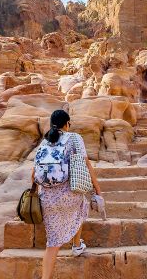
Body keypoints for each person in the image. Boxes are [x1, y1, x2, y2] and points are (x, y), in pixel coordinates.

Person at [31, 110, 102, 279]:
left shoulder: (45, 142)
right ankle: (76, 245)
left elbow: (34, 173)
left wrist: (33, 193)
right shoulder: (75, 138)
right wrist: (97, 189)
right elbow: (86, 164)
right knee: (82, 205)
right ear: (67, 124)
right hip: (70, 193)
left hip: (47, 197)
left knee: (52, 243)